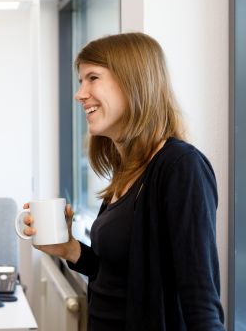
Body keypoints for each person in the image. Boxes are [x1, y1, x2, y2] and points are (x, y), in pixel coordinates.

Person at [22, 32, 225, 330]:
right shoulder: (127, 171)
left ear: (134, 82)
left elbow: (200, 300)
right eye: (81, 82)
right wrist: (68, 248)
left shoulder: (181, 166)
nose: (80, 94)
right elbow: (115, 273)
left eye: (93, 78)